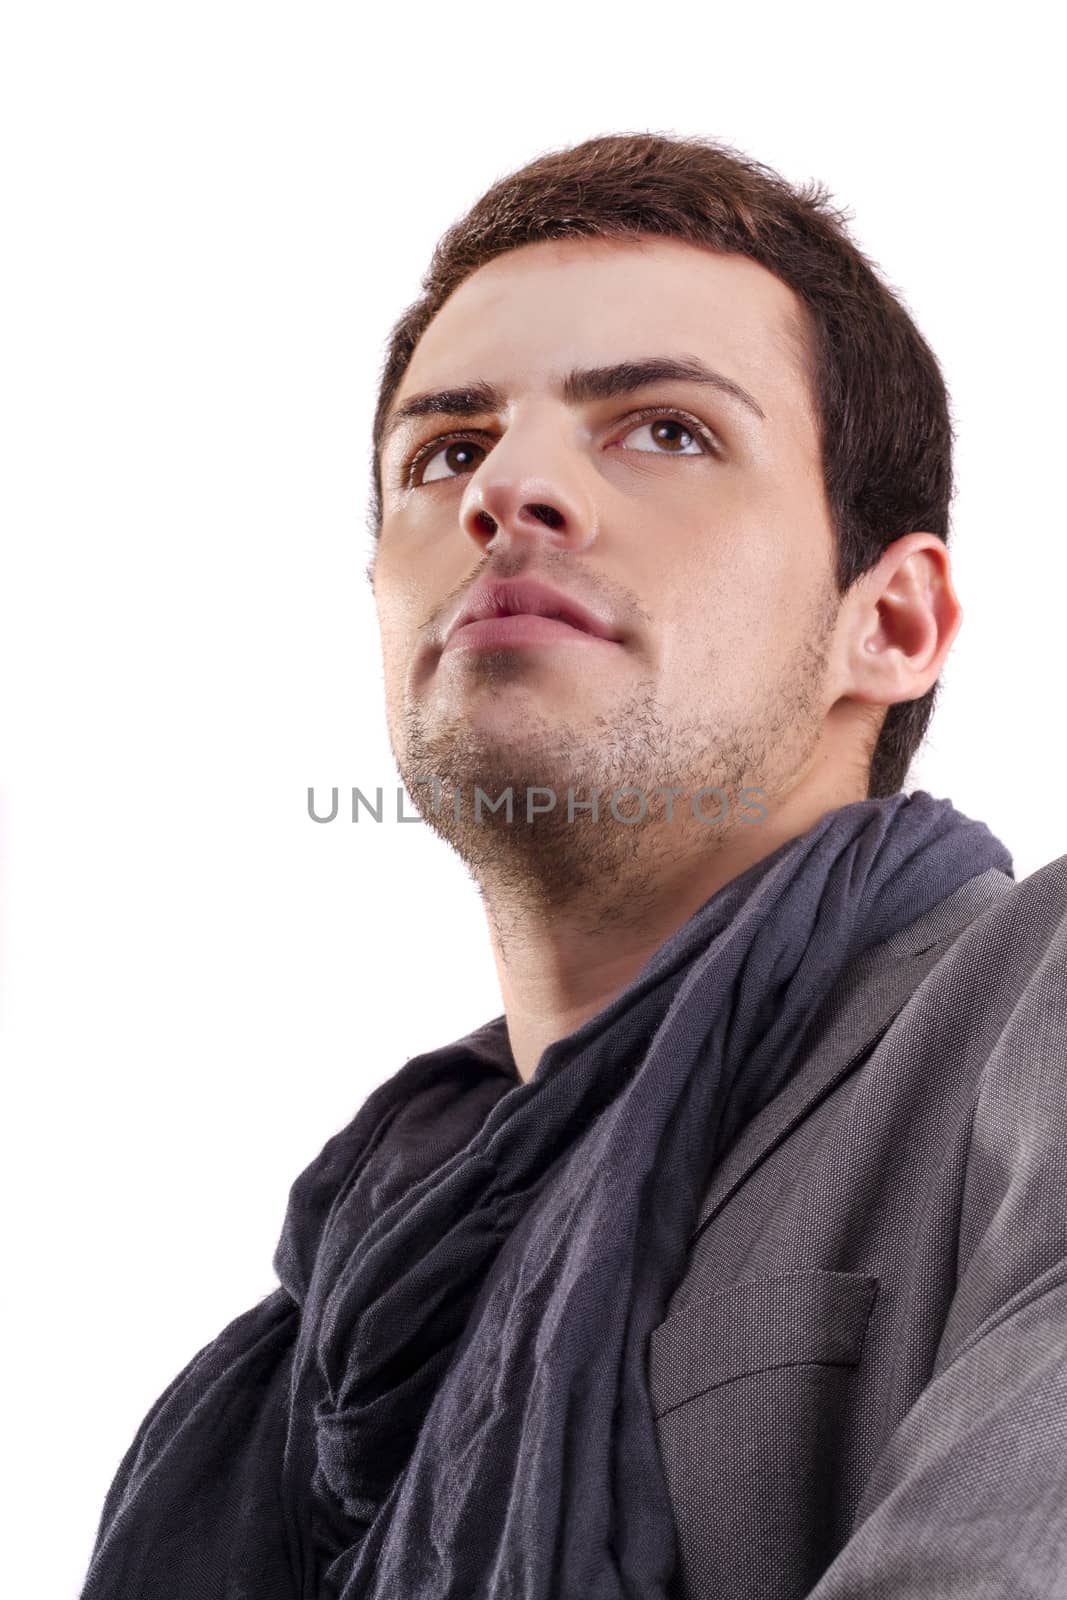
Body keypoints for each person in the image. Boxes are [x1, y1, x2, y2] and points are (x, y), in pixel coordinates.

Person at [80, 132, 1067, 1600]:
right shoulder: (317, 1347)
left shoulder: (1026, 1020)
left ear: (896, 623)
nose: (509, 492)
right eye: (448, 451)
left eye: (664, 429)